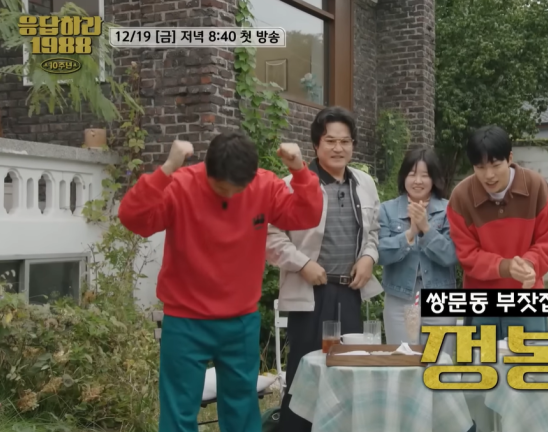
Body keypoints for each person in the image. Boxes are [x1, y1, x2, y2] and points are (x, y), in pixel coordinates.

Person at [117, 132, 324, 432]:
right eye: (221, 188)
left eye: (238, 189)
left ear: (251, 176)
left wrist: (299, 170)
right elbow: (133, 218)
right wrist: (167, 168)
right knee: (178, 412)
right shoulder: (181, 184)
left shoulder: (265, 185)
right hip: (185, 319)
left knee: (242, 411)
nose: (229, 195)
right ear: (207, 172)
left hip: (240, 321)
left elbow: (306, 215)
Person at [266, 106, 383, 432]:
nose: (338, 148)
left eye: (345, 141)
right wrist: (302, 264)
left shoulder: (365, 183)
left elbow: (374, 232)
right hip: (310, 294)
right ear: (316, 144)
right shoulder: (291, 185)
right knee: (305, 376)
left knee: (350, 372)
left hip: (350, 291)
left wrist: (369, 258)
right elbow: (270, 236)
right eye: (330, 141)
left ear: (353, 145)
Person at [447, 125, 548, 340]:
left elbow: (547, 243)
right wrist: (506, 267)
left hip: (527, 298)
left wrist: (529, 264)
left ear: (509, 158)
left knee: (531, 360)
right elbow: (467, 255)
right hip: (480, 301)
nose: (488, 175)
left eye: (496, 165)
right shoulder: (461, 197)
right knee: (480, 361)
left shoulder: (537, 187)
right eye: (480, 167)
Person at [378, 147, 458, 355]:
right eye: (412, 174)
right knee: (402, 362)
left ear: (434, 179)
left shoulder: (449, 210)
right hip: (399, 296)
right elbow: (381, 254)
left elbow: (451, 255)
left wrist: (426, 229)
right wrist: (410, 233)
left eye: (425, 175)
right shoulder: (387, 209)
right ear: (404, 177)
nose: (418, 181)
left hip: (440, 297)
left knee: (439, 361)